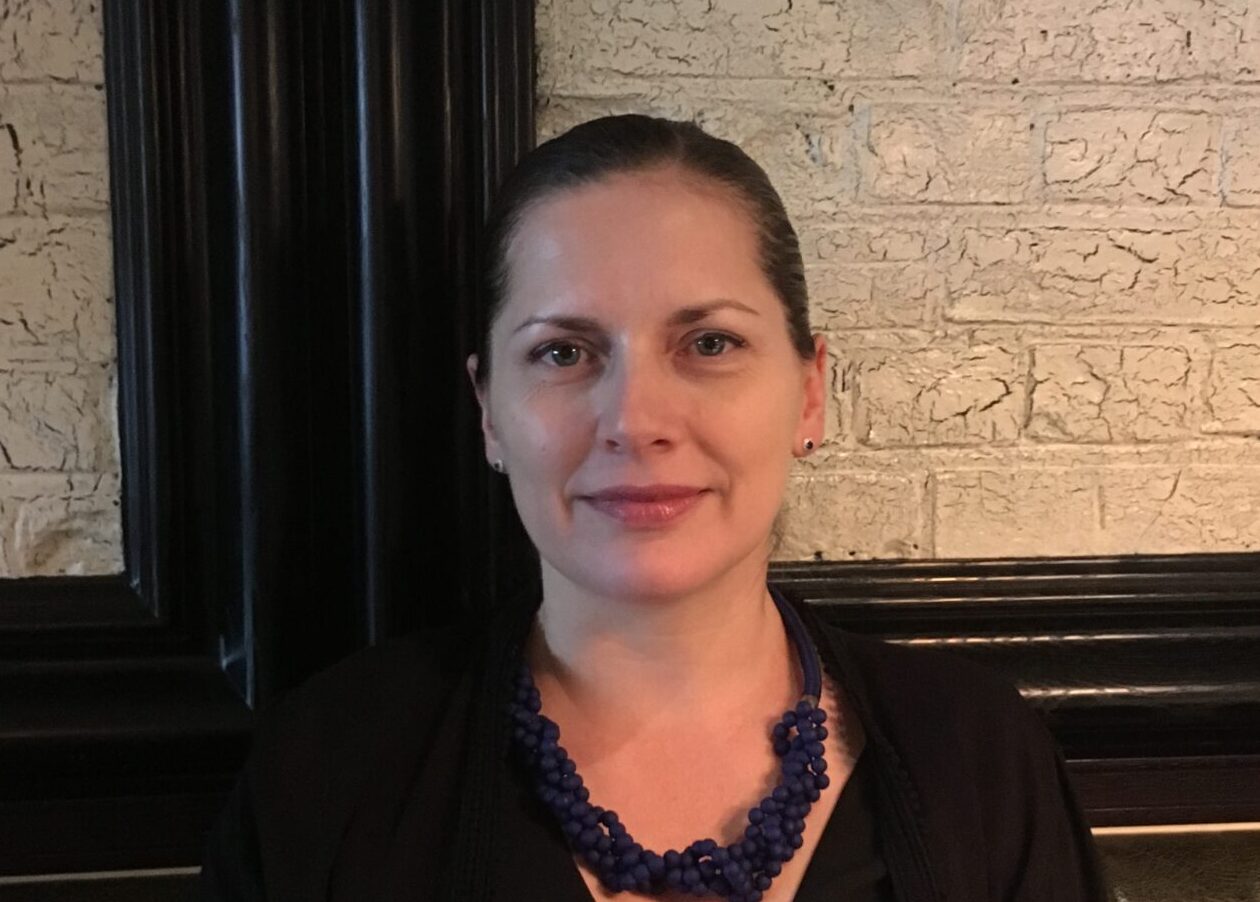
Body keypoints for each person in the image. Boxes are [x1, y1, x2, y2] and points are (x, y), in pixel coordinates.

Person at [200, 114, 1114, 901]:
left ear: (809, 393)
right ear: (488, 412)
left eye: (709, 344)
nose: (635, 420)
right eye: (564, 353)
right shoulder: (327, 772)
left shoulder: (981, 757)